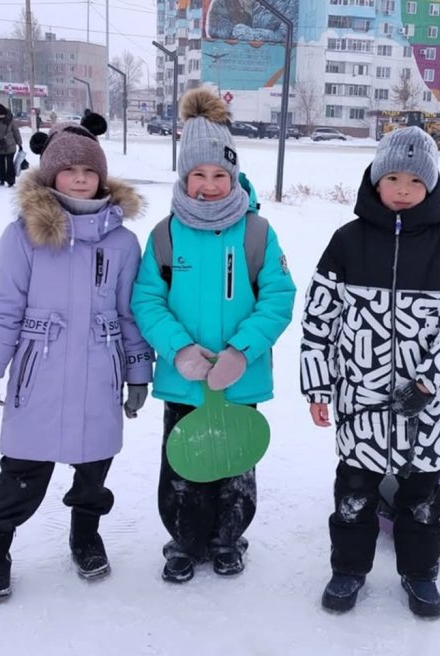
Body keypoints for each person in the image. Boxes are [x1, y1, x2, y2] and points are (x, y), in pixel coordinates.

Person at [300, 126, 440, 618]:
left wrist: (429, 381)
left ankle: (420, 575)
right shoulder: (346, 242)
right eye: (393, 178)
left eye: (415, 181)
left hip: (428, 409)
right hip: (361, 405)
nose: (403, 189)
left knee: (422, 499)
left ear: (431, 186)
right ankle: (349, 569)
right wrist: (319, 384)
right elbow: (319, 319)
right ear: (375, 180)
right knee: (354, 496)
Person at [0, 112, 154, 602]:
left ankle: (85, 535)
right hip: (39, 374)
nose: (79, 178)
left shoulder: (122, 242)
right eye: (70, 170)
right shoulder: (23, 234)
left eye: (89, 172)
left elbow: (130, 313)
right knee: (23, 474)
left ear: (101, 177)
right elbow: (5, 307)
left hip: (99, 373)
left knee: (94, 471)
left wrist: (138, 372)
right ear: (51, 174)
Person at [131, 88, 296, 584]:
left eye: (219, 175)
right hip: (186, 383)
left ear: (233, 175)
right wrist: (178, 349)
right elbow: (146, 299)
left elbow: (278, 298)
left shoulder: (256, 233)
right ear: (184, 177)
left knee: (233, 464)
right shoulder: (164, 234)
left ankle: (228, 538)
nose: (208, 185)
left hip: (238, 381)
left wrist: (242, 352)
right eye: (198, 175)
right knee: (183, 463)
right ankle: (184, 539)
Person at [0, 103, 22, 187]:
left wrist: (19, 143)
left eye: (3, 115)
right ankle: (1, 179)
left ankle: (10, 180)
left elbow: (16, 131)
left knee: (10, 163)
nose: (1, 117)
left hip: (10, 145)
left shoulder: (10, 120)